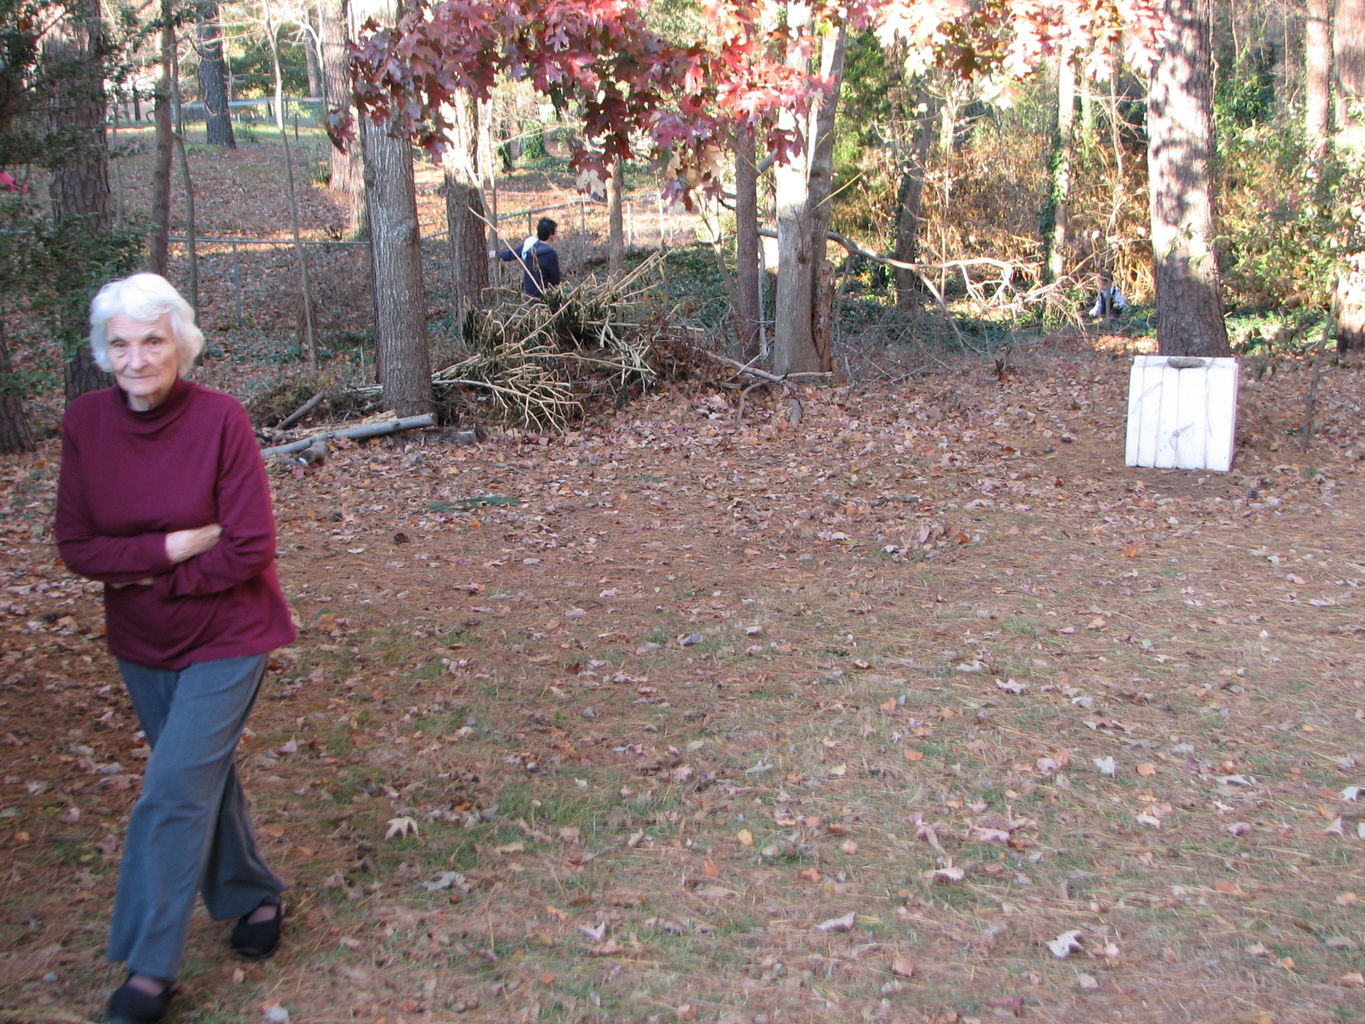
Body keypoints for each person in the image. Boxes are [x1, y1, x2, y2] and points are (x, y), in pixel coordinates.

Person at [55, 273, 295, 1024]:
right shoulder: (86, 424)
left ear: (180, 344)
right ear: (104, 352)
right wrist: (168, 548)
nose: (136, 358)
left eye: (152, 340)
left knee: (169, 792)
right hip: (142, 642)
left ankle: (147, 972)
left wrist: (147, 573)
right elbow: (77, 545)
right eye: (120, 344)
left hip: (229, 633)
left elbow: (249, 544)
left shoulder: (221, 419)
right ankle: (252, 895)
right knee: (197, 779)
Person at [495, 216, 561, 298]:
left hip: (529, 291)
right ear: (550, 234)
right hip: (544, 293)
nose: (557, 234)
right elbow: (555, 278)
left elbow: (511, 254)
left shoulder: (529, 245)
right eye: (555, 231)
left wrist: (495, 255)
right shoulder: (551, 254)